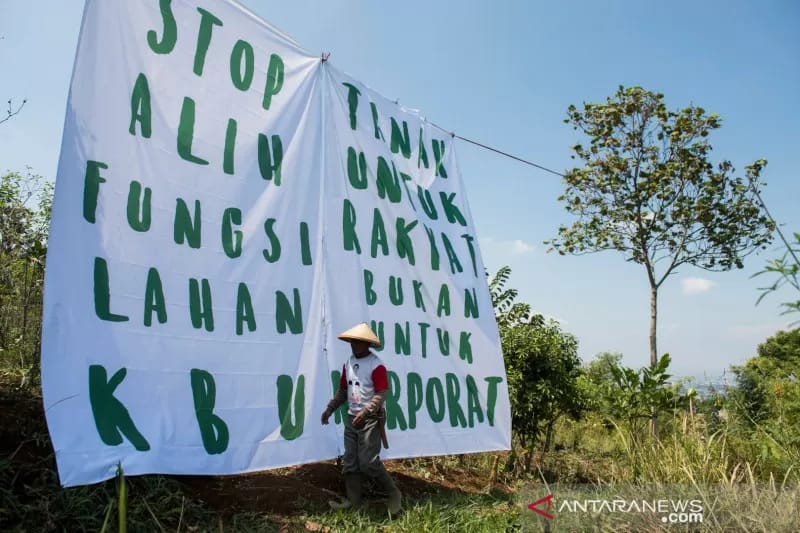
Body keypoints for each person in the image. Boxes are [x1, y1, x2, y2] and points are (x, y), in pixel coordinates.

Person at [320, 322, 402, 514]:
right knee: (350, 461)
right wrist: (330, 409)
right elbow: (343, 391)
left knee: (368, 462)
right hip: (351, 418)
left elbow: (382, 393)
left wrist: (365, 412)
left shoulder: (376, 365)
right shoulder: (348, 363)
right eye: (352, 342)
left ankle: (393, 493)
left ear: (367, 344)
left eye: (358, 342)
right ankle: (354, 500)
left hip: (370, 420)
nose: (354, 345)